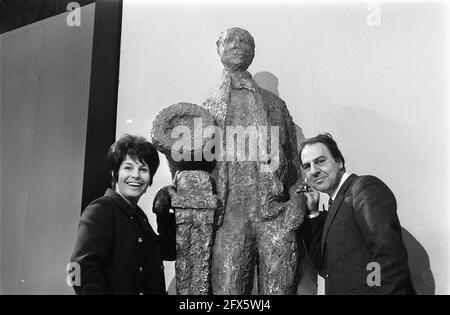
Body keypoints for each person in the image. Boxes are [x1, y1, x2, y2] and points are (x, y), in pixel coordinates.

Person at [202, 27, 306, 294]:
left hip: (274, 213)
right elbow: (193, 165)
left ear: (253, 51)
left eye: (244, 41)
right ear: (219, 48)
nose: (237, 45)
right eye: (230, 40)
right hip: (229, 217)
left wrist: (297, 200)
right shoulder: (206, 109)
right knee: (229, 292)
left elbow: (293, 163)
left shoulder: (275, 105)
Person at [298, 133, 416, 295]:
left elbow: (388, 258)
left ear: (339, 162)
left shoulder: (363, 189)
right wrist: (313, 211)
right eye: (307, 166)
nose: (313, 171)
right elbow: (322, 265)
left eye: (320, 161)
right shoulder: (337, 203)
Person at [70, 134, 176, 295]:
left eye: (143, 169)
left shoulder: (137, 216)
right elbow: (77, 269)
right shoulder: (101, 209)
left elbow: (167, 251)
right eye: (128, 167)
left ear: (150, 180)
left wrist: (164, 210)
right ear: (115, 173)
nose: (136, 175)